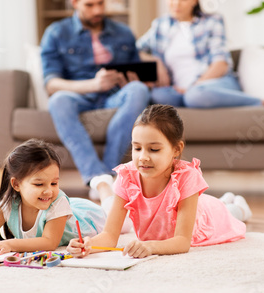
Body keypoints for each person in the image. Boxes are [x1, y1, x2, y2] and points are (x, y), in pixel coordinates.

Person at [67, 104, 252, 259]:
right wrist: (88, 244)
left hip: (209, 219)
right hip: (196, 207)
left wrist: (151, 247)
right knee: (216, 204)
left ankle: (239, 207)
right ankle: (227, 200)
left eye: (154, 149)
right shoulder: (127, 177)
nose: (143, 157)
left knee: (231, 215)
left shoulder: (186, 177)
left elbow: (182, 241)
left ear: (176, 149)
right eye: (137, 148)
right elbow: (109, 235)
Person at [41, 0, 150, 204]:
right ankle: (96, 177)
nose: (97, 10)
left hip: (113, 95)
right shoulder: (56, 33)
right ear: (74, 2)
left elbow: (136, 73)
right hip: (78, 94)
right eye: (89, 5)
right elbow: (51, 83)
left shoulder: (123, 33)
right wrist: (93, 85)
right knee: (58, 100)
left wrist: (131, 79)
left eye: (101, 3)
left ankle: (108, 174)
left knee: (139, 90)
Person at [137, 0, 264, 108]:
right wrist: (156, 61)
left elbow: (221, 64)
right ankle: (189, 99)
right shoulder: (161, 25)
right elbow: (136, 49)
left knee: (195, 96)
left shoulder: (212, 21)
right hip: (178, 91)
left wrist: (193, 87)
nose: (176, 3)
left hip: (214, 83)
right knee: (159, 96)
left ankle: (261, 103)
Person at [0, 139, 106, 255]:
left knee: (115, 211)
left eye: (54, 183)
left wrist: (10, 244)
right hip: (70, 208)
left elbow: (49, 243)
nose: (49, 191)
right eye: (39, 184)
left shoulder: (58, 201)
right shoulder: (9, 204)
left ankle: (104, 186)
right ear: (16, 184)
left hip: (90, 216)